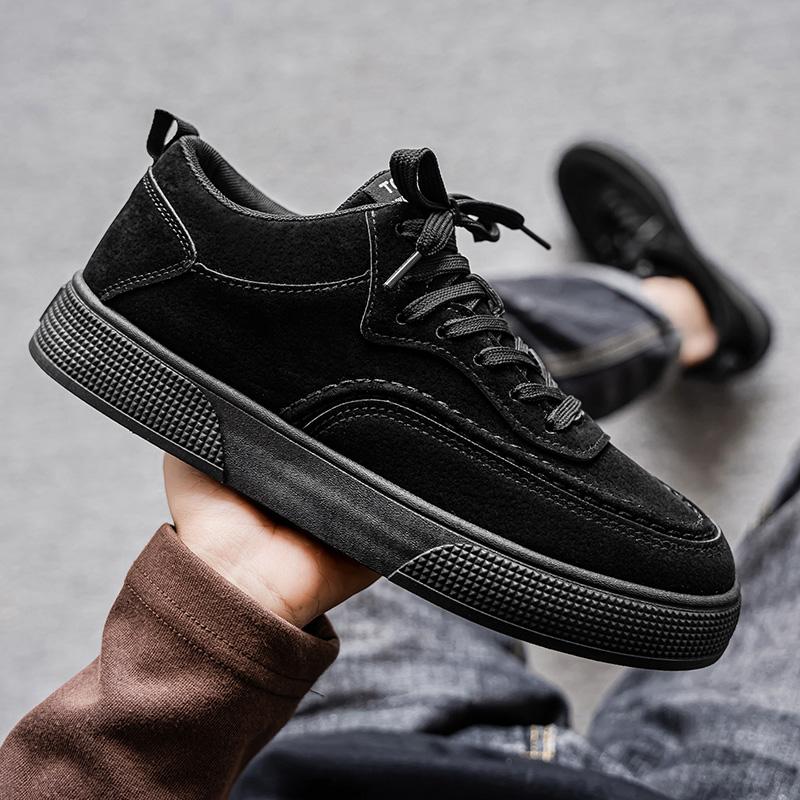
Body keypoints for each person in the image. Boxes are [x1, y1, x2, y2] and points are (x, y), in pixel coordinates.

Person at [0, 144, 785, 800]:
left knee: (418, 326)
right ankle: (674, 308)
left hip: (351, 759)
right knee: (428, 333)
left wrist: (222, 616)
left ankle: (659, 309)